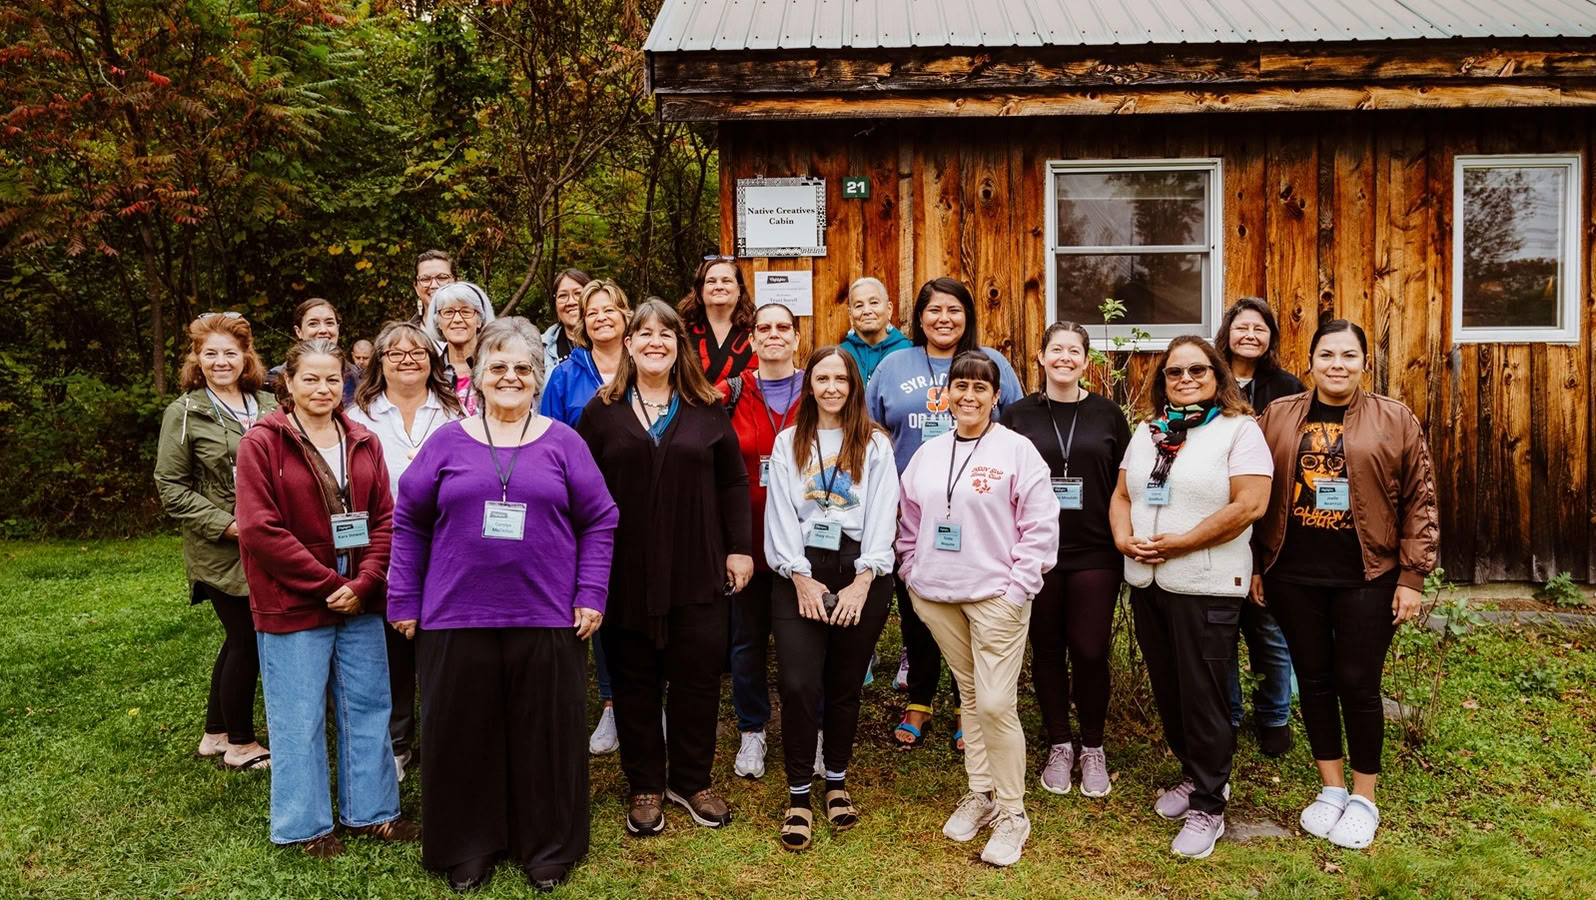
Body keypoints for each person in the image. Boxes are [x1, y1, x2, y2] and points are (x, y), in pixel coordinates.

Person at [387, 319, 619, 892]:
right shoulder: (446, 441)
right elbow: (410, 522)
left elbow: (600, 519)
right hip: (454, 614)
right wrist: (402, 596)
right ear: (479, 377)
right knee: (464, 732)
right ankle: (469, 845)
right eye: (498, 368)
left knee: (545, 734)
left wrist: (591, 591)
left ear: (537, 379)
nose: (510, 377)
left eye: (522, 368)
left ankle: (547, 845)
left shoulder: (565, 443)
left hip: (546, 614)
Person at [1252, 319, 1437, 851]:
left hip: (1368, 574)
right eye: (1327, 354)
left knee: (1357, 681)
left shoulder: (1394, 417)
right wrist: (1259, 565)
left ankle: (1364, 797)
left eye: (1349, 355)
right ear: (1310, 362)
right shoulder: (1280, 416)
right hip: (1293, 572)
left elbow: (1419, 499)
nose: (1338, 364)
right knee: (1311, 679)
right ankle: (1331, 789)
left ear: (1363, 363)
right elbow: (1254, 492)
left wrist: (1413, 576)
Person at [234, 339, 417, 858]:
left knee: (368, 706)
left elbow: (384, 519)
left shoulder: (362, 439)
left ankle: (373, 813)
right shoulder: (263, 443)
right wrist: (325, 584)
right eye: (310, 379)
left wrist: (363, 584)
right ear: (287, 384)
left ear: (346, 383)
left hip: (358, 600)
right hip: (294, 600)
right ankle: (304, 826)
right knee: (298, 717)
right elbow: (260, 530)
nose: (323, 388)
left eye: (333, 379)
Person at [576, 299, 753, 836]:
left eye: (666, 335)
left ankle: (692, 779)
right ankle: (647, 783)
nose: (655, 342)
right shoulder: (601, 411)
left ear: (681, 347)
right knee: (634, 680)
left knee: (697, 677)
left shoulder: (705, 410)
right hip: (625, 570)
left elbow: (732, 482)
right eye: (644, 334)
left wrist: (739, 547)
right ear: (627, 345)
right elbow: (581, 491)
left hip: (696, 567)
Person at [1110, 335, 1273, 860]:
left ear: (1217, 376)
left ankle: (1210, 803)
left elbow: (1250, 504)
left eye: (1197, 371)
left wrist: (1182, 542)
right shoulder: (1148, 432)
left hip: (1205, 583)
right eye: (1174, 372)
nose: (1184, 380)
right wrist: (1121, 538)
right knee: (1171, 689)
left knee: (1204, 696)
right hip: (1149, 582)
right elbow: (1121, 496)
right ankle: (1194, 775)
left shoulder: (1239, 430)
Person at [896, 350, 1057, 867]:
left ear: (995, 396)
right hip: (936, 594)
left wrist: (1018, 588)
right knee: (969, 691)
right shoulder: (929, 452)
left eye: (979, 388)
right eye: (959, 386)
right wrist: (909, 570)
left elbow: (1040, 524)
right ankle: (982, 793)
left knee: (993, 704)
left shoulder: (1017, 451)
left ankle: (1013, 814)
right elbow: (909, 517)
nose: (968, 396)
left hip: (995, 596)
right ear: (945, 395)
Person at [864, 276, 1024, 752]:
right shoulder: (895, 365)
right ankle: (920, 698)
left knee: (971, 605)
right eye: (934, 310)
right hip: (912, 509)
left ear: (967, 316)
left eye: (954, 310)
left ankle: (966, 703)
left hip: (978, 510)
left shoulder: (992, 363)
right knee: (919, 604)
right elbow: (873, 430)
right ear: (919, 317)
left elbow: (1013, 425)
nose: (944, 319)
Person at [763, 346, 898, 851]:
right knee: (799, 683)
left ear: (853, 385)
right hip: (800, 572)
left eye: (842, 379)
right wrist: (799, 577)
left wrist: (863, 582)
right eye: (823, 378)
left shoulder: (876, 445)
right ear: (810, 385)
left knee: (844, 684)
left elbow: (886, 515)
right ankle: (799, 794)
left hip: (860, 570)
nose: (833, 388)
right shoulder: (787, 443)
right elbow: (778, 515)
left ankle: (836, 781)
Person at [998, 322, 1130, 798]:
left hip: (1095, 549)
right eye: (1057, 349)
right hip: (1036, 553)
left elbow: (1126, 484)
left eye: (1075, 351)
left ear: (1086, 360)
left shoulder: (1108, 415)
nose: (1065, 358)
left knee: (1091, 650)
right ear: (1041, 356)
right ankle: (1059, 742)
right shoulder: (1016, 416)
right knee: (1048, 649)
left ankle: (1092, 746)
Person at [154, 312, 277, 771]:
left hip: (271, 540)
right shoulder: (185, 413)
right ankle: (241, 744)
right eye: (211, 354)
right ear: (196, 360)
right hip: (222, 547)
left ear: (246, 357)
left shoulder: (269, 404)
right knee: (247, 637)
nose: (221, 361)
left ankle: (215, 734)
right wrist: (229, 525)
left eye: (230, 353)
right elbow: (171, 486)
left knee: (239, 640)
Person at [345, 321, 464, 783]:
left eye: (417, 351)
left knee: (441, 653)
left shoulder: (456, 413)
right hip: (383, 549)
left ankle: (442, 740)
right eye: (394, 353)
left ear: (433, 360)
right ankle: (396, 743)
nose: (407, 359)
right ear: (379, 363)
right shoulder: (359, 416)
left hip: (447, 550)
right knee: (391, 653)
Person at [540, 278, 633, 754]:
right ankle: (612, 705)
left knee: (644, 597)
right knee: (598, 599)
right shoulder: (564, 375)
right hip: (583, 506)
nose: (599, 317)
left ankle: (649, 701)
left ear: (625, 315)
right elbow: (547, 439)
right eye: (590, 311)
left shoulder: (648, 364)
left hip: (642, 500)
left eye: (608, 310)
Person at [718, 303, 806, 781]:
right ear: (751, 340)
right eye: (764, 328)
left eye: (783, 328)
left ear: (796, 337)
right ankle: (753, 729)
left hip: (805, 544)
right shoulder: (729, 392)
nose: (773, 335)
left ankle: (804, 729)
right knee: (746, 642)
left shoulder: (818, 389)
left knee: (803, 646)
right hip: (747, 542)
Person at [1217, 296, 1305, 755]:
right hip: (1218, 513)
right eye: (1241, 327)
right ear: (1227, 332)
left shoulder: (1287, 387)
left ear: (1271, 337)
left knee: (1270, 627)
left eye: (1260, 328)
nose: (1250, 335)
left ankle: (1274, 715)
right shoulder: (1211, 380)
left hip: (1271, 517)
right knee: (1224, 627)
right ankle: (1229, 713)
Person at [424, 281, 497, 416]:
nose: (457, 319)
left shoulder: (496, 366)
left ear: (480, 320)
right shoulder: (429, 370)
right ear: (438, 322)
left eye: (466, 311)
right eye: (448, 312)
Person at [679, 256, 756, 382]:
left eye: (726, 281)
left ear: (739, 290)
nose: (719, 287)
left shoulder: (756, 333)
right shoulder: (682, 333)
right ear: (700, 291)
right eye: (711, 281)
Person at [267, 299, 359, 404]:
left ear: (337, 329)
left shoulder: (360, 378)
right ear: (299, 331)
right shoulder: (275, 379)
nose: (323, 330)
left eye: (329, 323)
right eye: (313, 324)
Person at [839, 276, 911, 384]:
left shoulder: (909, 351)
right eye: (859, 306)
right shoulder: (841, 354)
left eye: (874, 303)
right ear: (850, 315)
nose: (867, 311)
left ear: (889, 309)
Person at [542, 267, 592, 374]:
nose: (570, 302)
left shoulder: (609, 342)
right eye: (563, 296)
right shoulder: (540, 348)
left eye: (578, 293)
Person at [413, 249, 456, 321]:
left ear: (456, 282)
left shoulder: (476, 329)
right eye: (425, 279)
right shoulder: (404, 332)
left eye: (442, 277)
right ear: (416, 287)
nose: (434, 285)